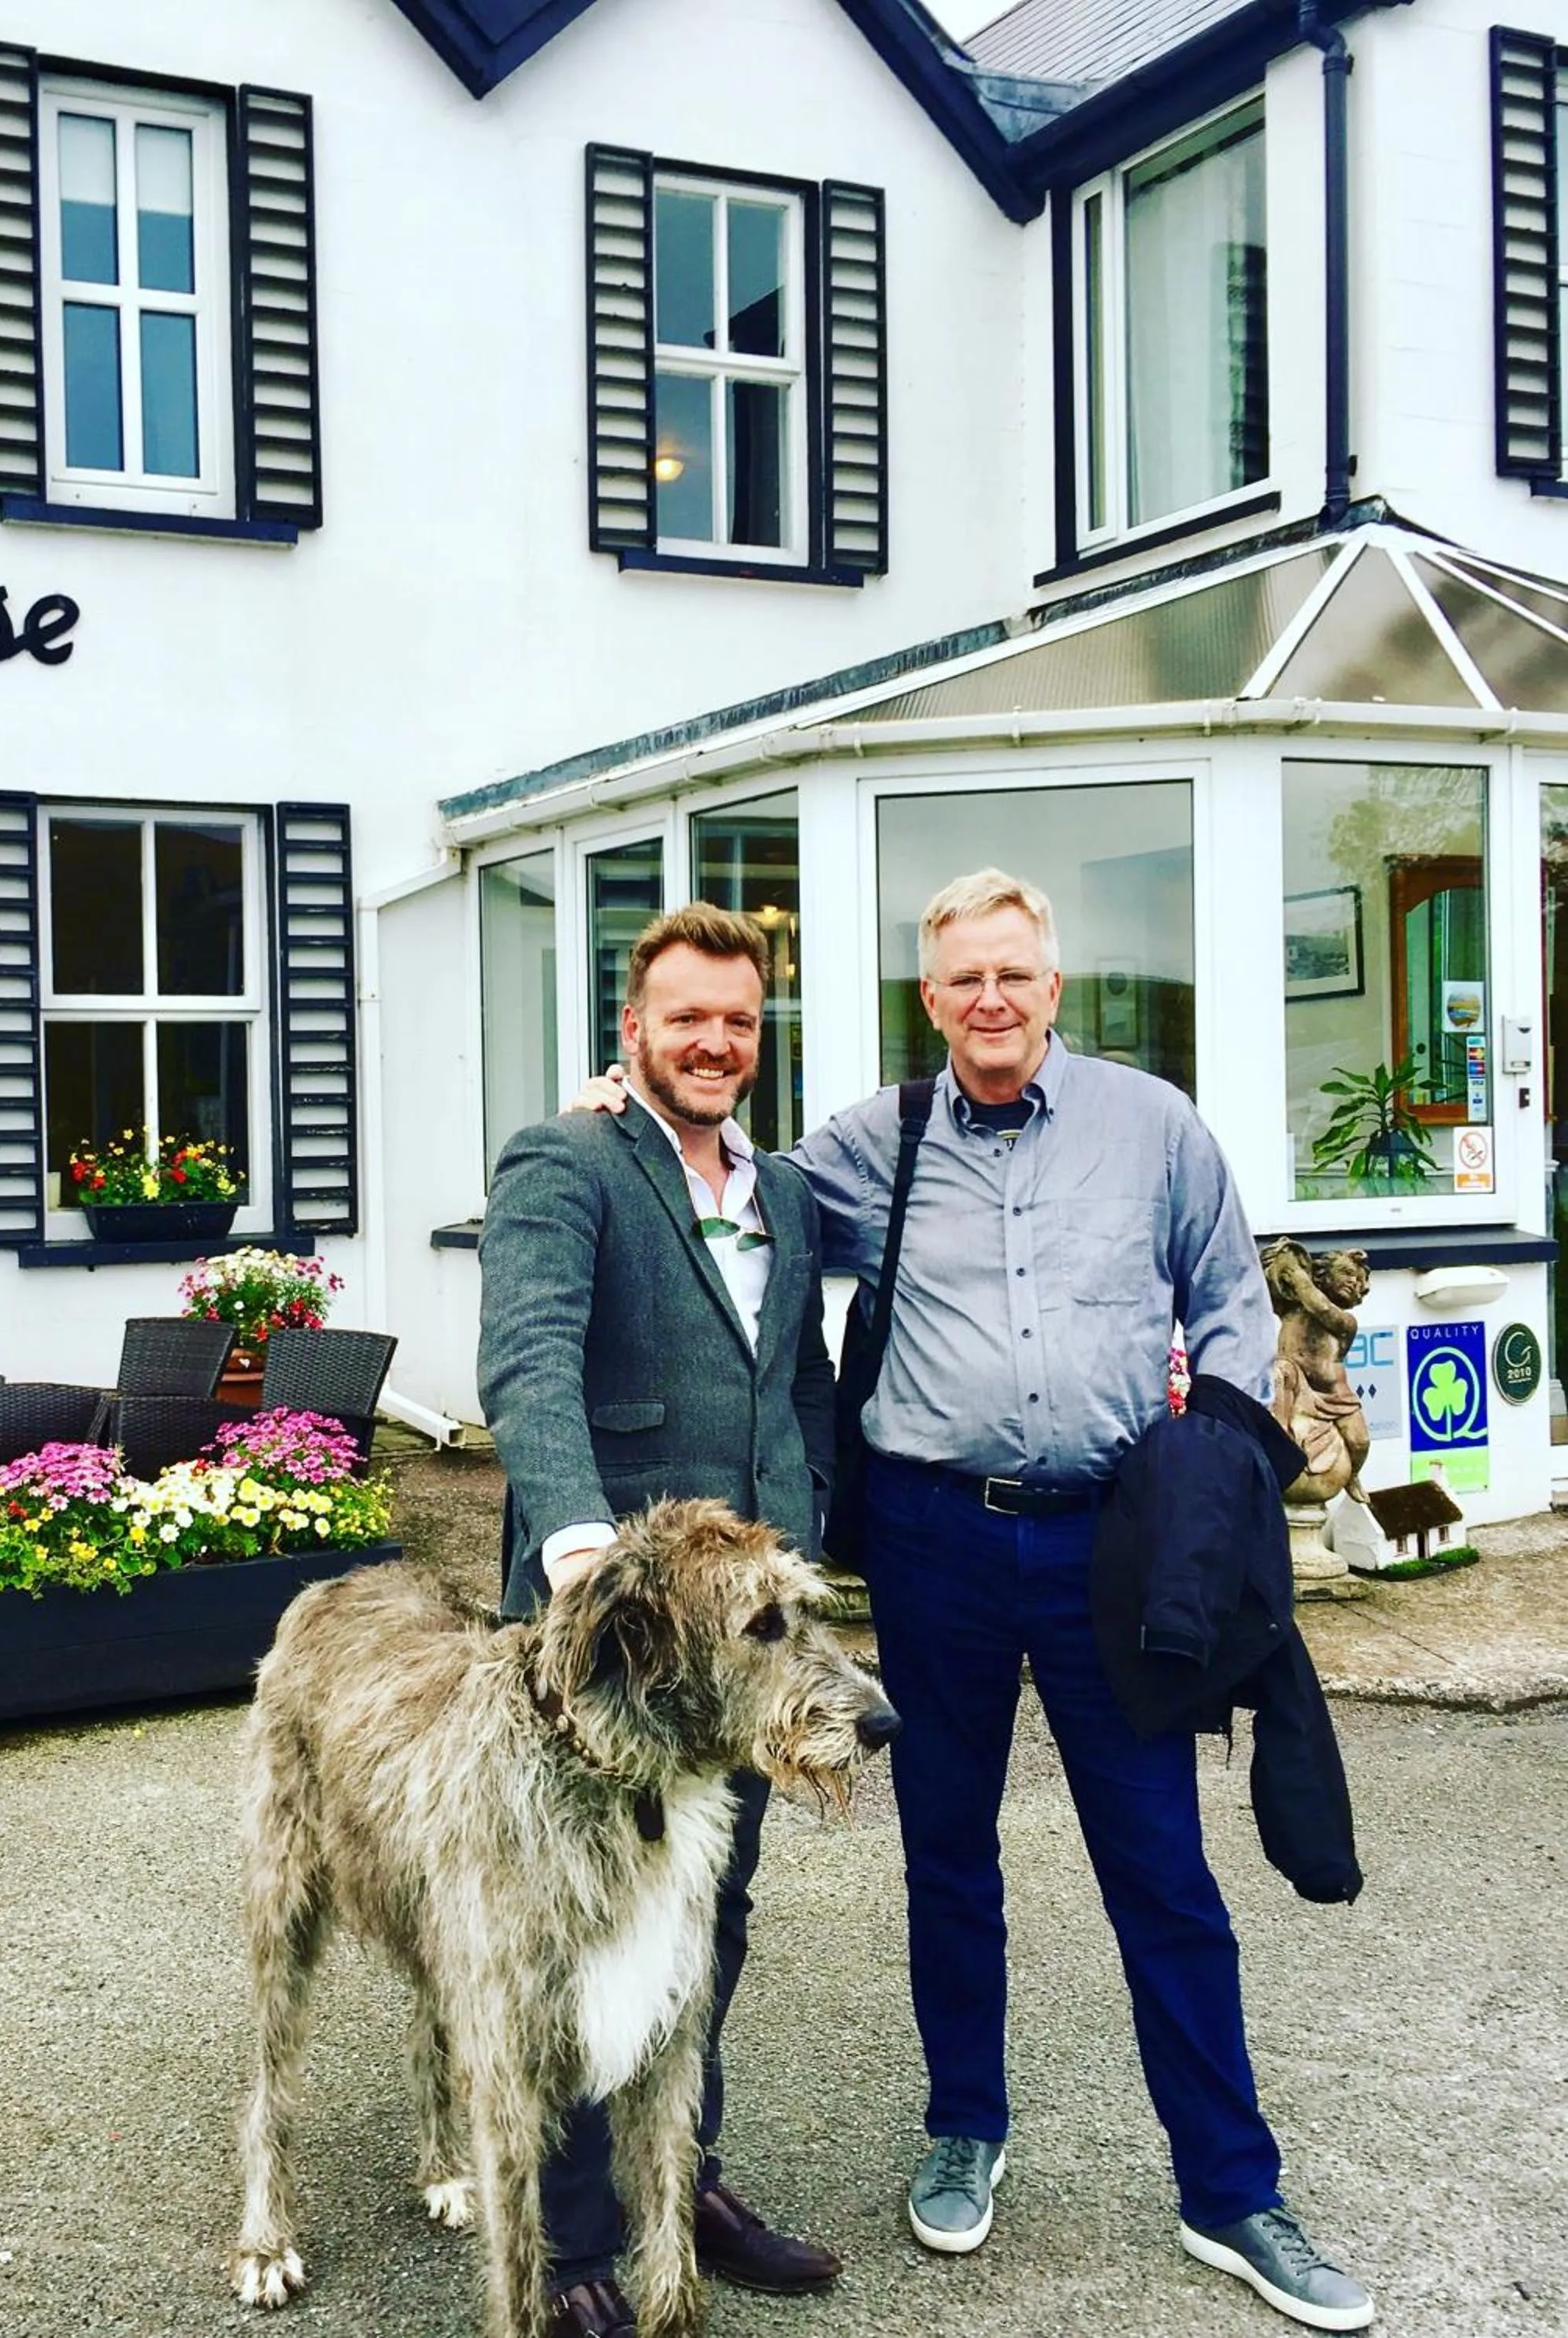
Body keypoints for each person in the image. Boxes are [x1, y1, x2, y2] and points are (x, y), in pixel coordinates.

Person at [571, 868, 1372, 2333]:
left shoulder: (1156, 1129)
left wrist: (1221, 1471)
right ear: (928, 1001)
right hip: (938, 1546)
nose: (990, 1000)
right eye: (961, 981)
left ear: (1050, 988)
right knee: (949, 1856)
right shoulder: (874, 1142)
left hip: (1111, 1549)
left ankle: (1232, 2191)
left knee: (1162, 1871)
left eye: (1015, 974)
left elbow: (1231, 1307)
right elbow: (729, 1197)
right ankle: (964, 2126)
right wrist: (624, 1114)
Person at [478, 901, 842, 2338]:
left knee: (708, 1918)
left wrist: (805, 1564)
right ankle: (565, 2244)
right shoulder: (565, 1159)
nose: (715, 1042)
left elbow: (793, 1387)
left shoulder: (790, 1191)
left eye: (739, 1021)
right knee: (575, 1932)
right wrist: (577, 1545)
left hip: (737, 1646)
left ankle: (679, 2186)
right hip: (610, 1644)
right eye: (686, 1016)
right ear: (634, 1029)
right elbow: (526, 1357)